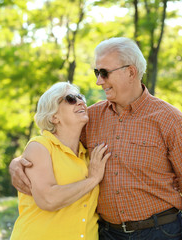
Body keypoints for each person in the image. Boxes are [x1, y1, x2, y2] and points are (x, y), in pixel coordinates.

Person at [9, 37, 182, 240]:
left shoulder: (169, 119)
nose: (98, 81)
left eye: (104, 73)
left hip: (158, 232)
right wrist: (18, 163)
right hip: (107, 234)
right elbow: (55, 143)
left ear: (131, 72)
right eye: (97, 73)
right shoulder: (90, 118)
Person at [10, 82, 111, 240]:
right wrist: (92, 179)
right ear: (53, 116)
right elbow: (48, 199)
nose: (80, 102)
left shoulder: (87, 154)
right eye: (70, 98)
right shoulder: (40, 146)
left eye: (81, 97)